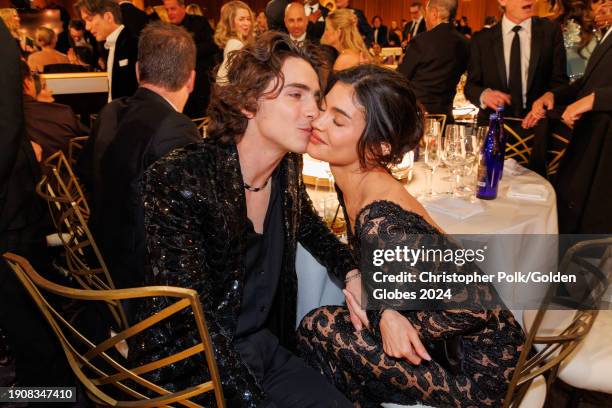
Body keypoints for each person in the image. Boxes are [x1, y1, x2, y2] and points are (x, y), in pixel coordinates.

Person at [130, 31, 357, 408]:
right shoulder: (182, 178)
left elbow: (310, 227)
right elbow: (191, 321)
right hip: (192, 371)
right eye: (296, 95)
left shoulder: (286, 166)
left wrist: (351, 272)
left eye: (315, 98)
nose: (314, 112)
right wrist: (249, 399)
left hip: (262, 349)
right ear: (249, 103)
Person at [298, 64, 526, 407]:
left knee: (319, 327)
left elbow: (474, 309)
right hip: (451, 347)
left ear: (380, 147)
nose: (317, 122)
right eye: (323, 108)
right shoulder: (357, 182)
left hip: (481, 375)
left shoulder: (383, 221)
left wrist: (394, 323)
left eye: (338, 120)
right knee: (326, 331)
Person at [76, 22, 201, 293]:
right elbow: (194, 221)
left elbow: (84, 174)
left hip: (99, 259)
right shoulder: (178, 129)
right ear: (191, 79)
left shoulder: (109, 111)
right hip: (144, 284)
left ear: (137, 71)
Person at [0, 18, 75, 390]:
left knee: (31, 328)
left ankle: (48, 398)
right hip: (12, 206)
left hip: (8, 210)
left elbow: (6, 126)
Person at [523, 9, 611, 234]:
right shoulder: (607, 33)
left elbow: (593, 92)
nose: (600, 7)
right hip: (591, 136)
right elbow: (586, 82)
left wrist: (594, 100)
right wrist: (552, 95)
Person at [465, 0, 568, 123]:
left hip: (538, 126)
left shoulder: (550, 31)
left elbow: (561, 82)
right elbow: (470, 87)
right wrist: (484, 94)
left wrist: (550, 96)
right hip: (495, 127)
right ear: (502, 1)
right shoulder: (482, 39)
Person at [399, 0, 470, 121]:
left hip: (417, 118)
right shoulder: (464, 43)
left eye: (426, 14)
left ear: (434, 13)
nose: (425, 19)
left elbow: (401, 78)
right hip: (445, 117)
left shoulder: (421, 41)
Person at [21, 61, 88, 161]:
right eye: (44, 87)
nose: (51, 90)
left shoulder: (10, 117)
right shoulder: (62, 113)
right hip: (67, 171)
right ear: (27, 83)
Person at [163, 0, 219, 117]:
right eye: (167, 10)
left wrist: (186, 51)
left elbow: (213, 45)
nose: (170, 13)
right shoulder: (167, 31)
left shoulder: (199, 22)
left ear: (183, 7)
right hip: (178, 87)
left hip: (201, 84)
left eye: (173, 9)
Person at [76, 0, 138, 101]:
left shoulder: (134, 44)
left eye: (89, 19)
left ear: (108, 17)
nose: (87, 27)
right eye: (85, 21)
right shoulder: (109, 46)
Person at [552, 0, 597, 80]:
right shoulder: (592, 30)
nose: (553, 8)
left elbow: (577, 74)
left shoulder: (570, 33)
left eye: (556, 2)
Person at [214, 1, 254, 83]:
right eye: (241, 19)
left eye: (248, 19)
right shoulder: (236, 44)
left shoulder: (235, 42)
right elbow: (222, 80)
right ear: (230, 22)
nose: (247, 23)